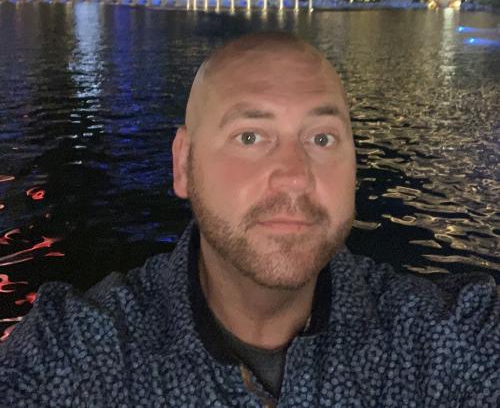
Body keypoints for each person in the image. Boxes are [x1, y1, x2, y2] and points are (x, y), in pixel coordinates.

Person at [0, 31, 498, 407]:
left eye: (321, 138)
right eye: (250, 137)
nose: (294, 176)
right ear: (183, 165)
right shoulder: (77, 355)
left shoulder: (444, 339)